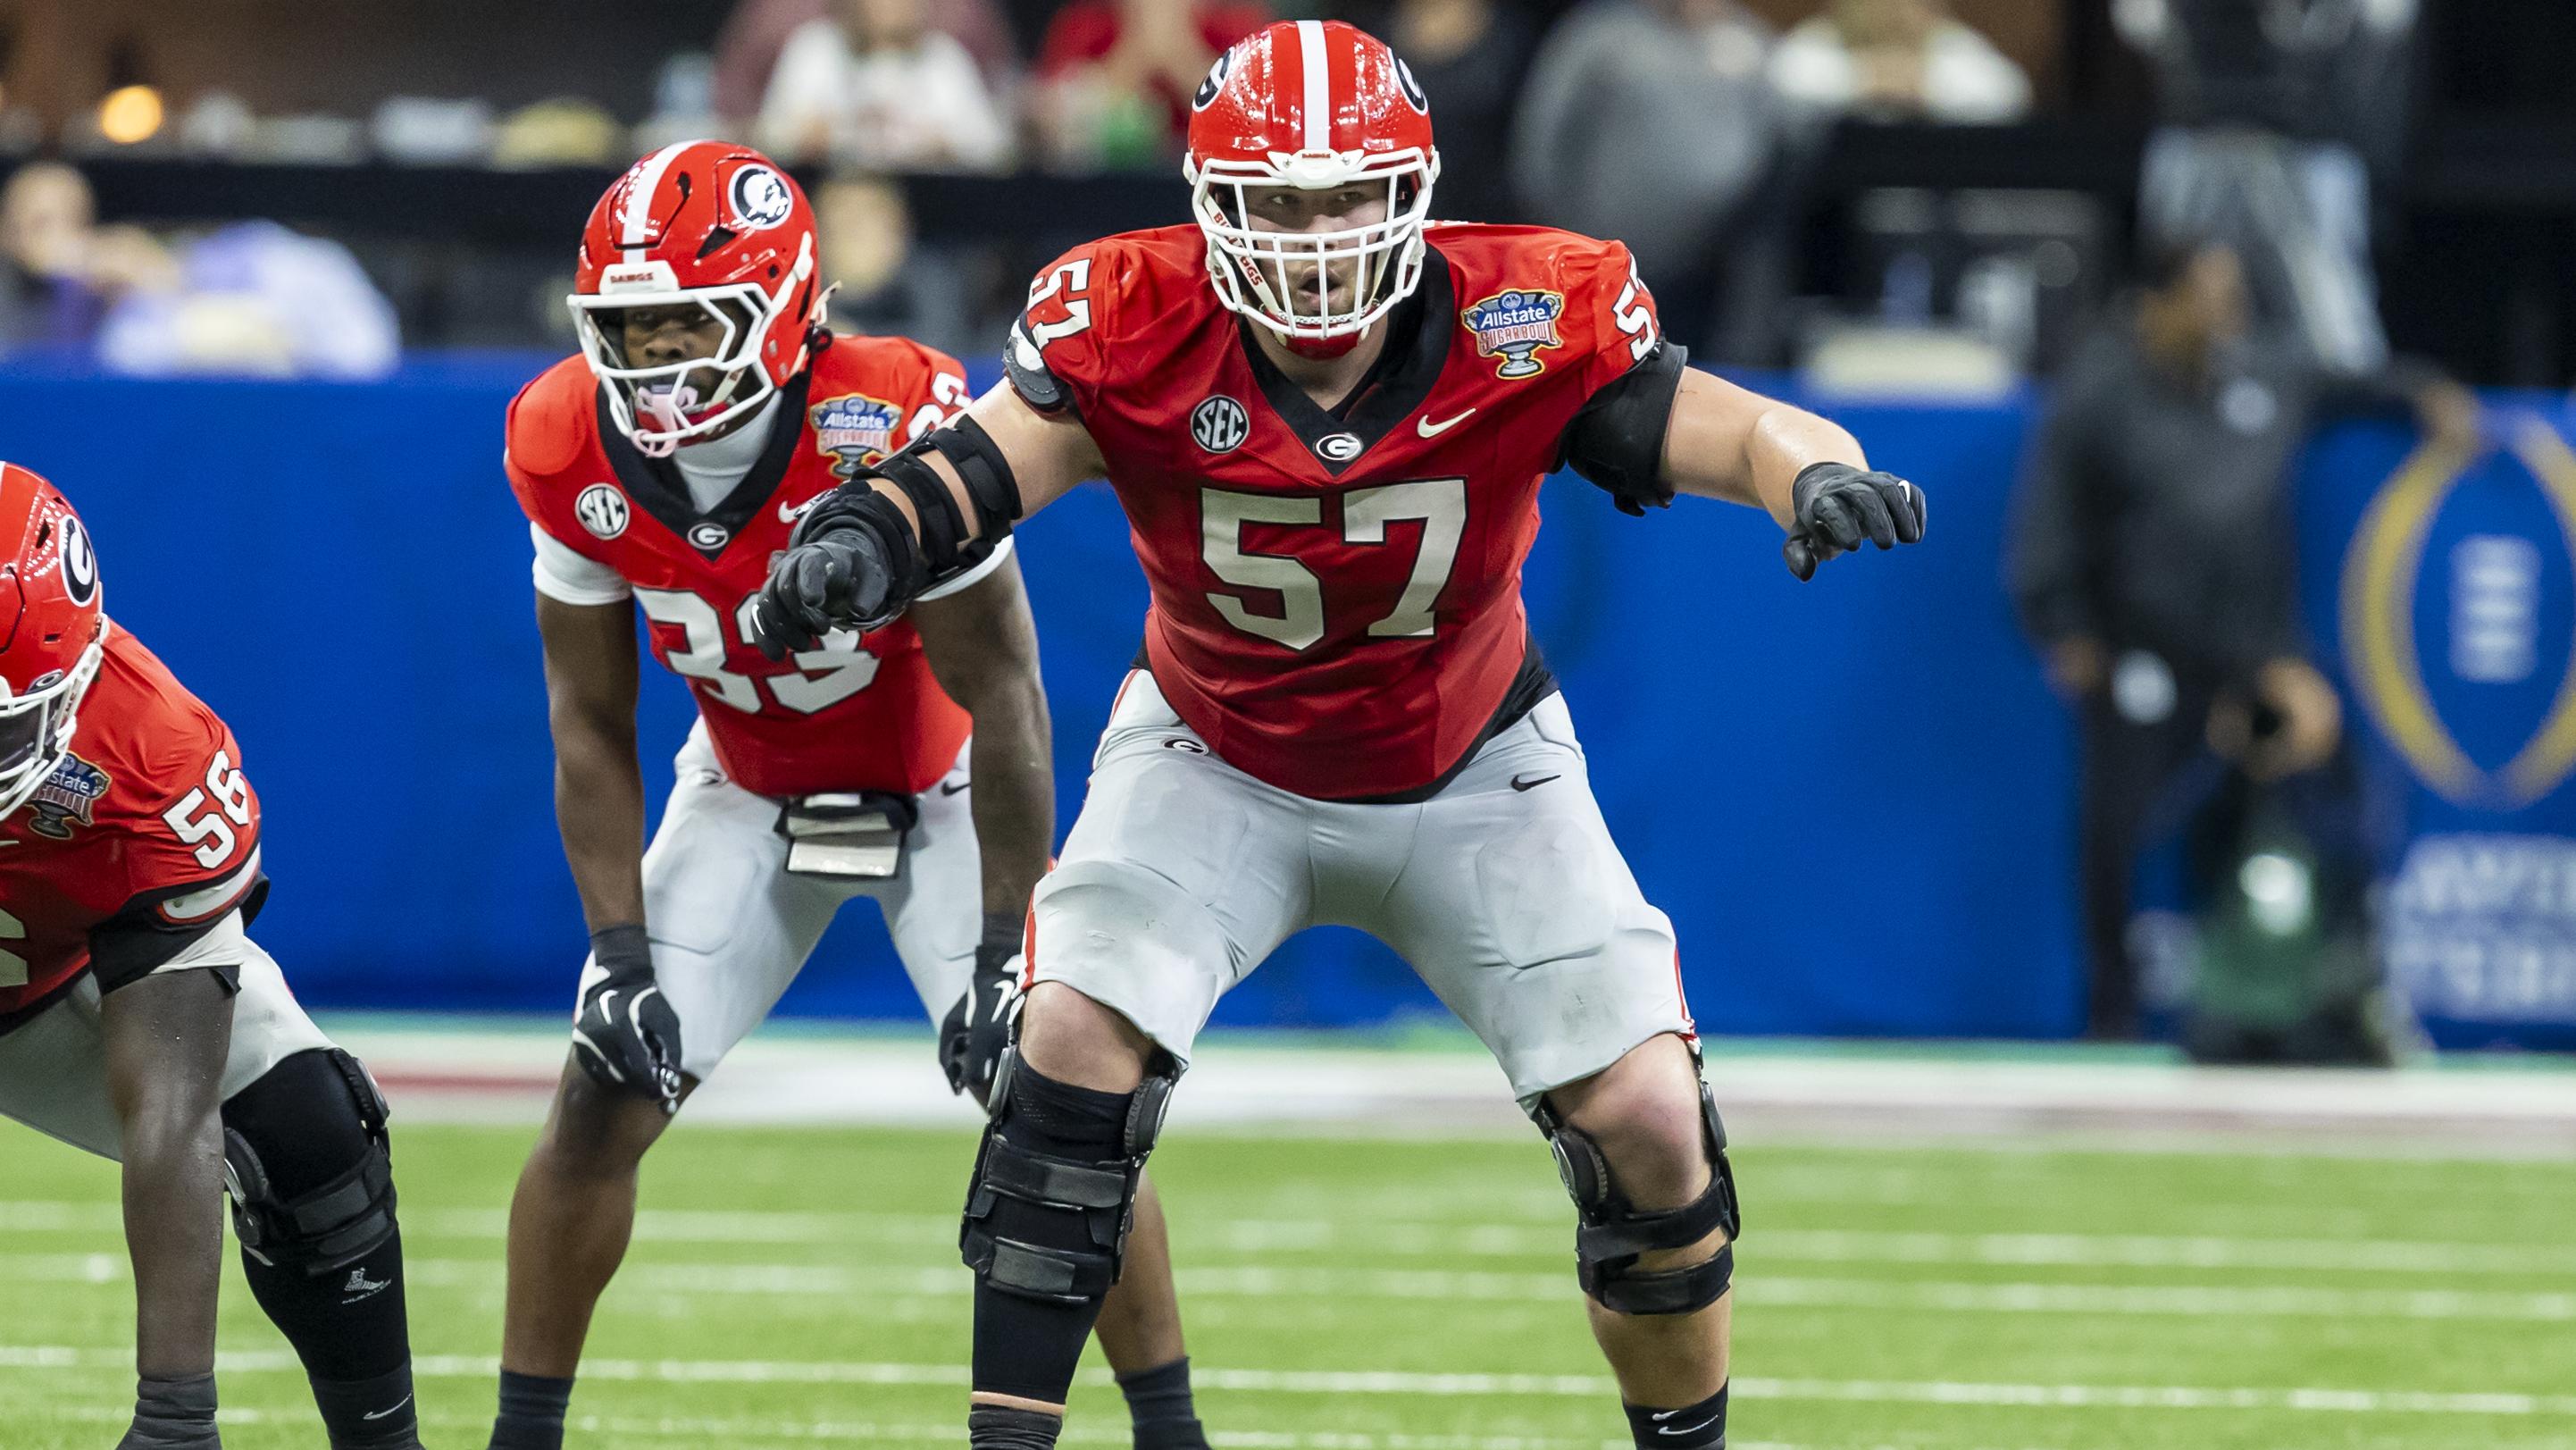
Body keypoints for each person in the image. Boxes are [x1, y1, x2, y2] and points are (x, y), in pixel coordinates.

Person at [753, 23, 1927, 1447]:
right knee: (1063, 1047)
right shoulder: (1134, 312)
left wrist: (1817, 473)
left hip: (1475, 759)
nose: (1316, 239)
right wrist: (869, 529)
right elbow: (987, 461)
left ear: (1413, 191)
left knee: (1654, 1122)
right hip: (1213, 754)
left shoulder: (1527, 311)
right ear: (1213, 205)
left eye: (1348, 198)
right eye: (1281, 202)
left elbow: (1739, 426)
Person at [486, 141, 1211, 1450]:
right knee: (600, 1085)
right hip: (746, 780)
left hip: (942, 784)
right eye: (626, 329)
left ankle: (1173, 1428)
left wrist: (1004, 950)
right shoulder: (560, 437)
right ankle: (518, 1433)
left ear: (785, 306)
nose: (650, 361)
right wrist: (616, 956)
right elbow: (590, 721)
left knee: (1060, 1102)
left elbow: (1003, 695)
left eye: (683, 325)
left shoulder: (889, 410)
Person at [0, 463, 423, 1450]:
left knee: (308, 1134)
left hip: (38, 990)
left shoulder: (149, 765)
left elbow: (173, 1107)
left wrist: (175, 1417)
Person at [2009, 239, 2477, 1041]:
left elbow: (2354, 383)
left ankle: (2344, 991)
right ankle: (2112, 1011)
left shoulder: (2266, 371)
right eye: (2207, 295)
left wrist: (2426, 392)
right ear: (2156, 302)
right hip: (2143, 658)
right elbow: (2047, 519)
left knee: (2338, 796)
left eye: (2232, 296)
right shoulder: (2102, 391)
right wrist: (2064, 627)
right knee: (2115, 828)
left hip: (2260, 666)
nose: (2226, 313)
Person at [1510, 0, 1786, 360]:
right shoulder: (1600, 35)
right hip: (1608, 261)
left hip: (1714, 265)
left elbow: (1779, 134)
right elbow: (1540, 141)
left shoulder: (1750, 41)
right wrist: (1565, 236)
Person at [755, 0, 1014, 171]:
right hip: (832, 193)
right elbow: (770, 135)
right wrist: (805, 137)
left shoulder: (943, 57)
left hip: (927, 204)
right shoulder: (816, 46)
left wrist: (948, 145)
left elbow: (993, 148)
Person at [1769, 0, 2031, 125]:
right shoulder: (1822, 39)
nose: (1897, 12)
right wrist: (1865, 80)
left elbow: (2010, 94)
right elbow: (1775, 90)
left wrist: (1925, 85)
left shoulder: (1948, 43)